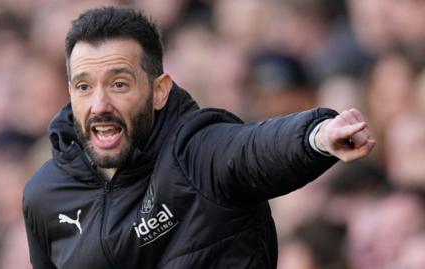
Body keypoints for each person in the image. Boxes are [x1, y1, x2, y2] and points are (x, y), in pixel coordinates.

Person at [22, 6, 376, 269]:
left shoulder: (198, 150)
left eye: (119, 84)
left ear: (159, 91)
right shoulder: (44, 196)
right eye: (84, 87)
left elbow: (252, 148)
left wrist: (317, 137)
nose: (99, 104)